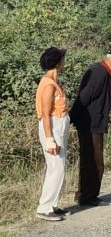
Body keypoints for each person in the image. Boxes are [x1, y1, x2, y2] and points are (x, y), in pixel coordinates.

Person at [71, 48, 111, 207]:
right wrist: (72, 117)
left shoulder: (103, 72)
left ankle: (84, 194)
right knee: (95, 162)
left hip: (93, 122)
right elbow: (84, 97)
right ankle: (88, 197)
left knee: (89, 159)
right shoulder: (100, 73)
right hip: (90, 123)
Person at [34, 47, 70, 221]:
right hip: (52, 127)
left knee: (59, 166)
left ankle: (52, 204)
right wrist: (49, 139)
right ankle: (45, 207)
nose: (64, 62)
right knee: (56, 167)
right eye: (62, 59)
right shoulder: (48, 84)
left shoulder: (54, 81)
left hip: (58, 126)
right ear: (57, 62)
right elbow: (46, 113)